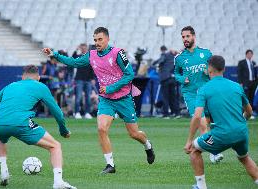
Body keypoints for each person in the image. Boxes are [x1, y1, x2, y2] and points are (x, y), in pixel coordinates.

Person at [43, 27, 155, 174]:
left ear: (108, 39)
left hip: (124, 98)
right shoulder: (91, 55)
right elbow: (73, 62)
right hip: (106, 100)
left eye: (100, 39)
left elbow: (129, 75)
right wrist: (54, 54)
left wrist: (110, 88)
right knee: (102, 128)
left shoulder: (117, 53)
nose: (97, 42)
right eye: (95, 40)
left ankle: (147, 145)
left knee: (134, 134)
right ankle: (110, 165)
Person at [0, 65, 76, 189]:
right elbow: (57, 112)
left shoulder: (10, 86)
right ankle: (58, 182)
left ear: (22, 77)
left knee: (0, 138)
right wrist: (63, 130)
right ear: (38, 78)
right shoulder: (41, 86)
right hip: (20, 123)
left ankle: (4, 171)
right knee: (55, 146)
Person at [184, 55, 258, 189]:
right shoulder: (236, 86)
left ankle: (201, 186)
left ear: (209, 69)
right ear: (224, 69)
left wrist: (189, 140)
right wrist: (241, 122)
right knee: (244, 158)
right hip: (241, 132)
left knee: (194, 149)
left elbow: (197, 116)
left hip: (222, 134)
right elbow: (249, 111)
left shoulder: (204, 89)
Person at [174, 26, 223, 163]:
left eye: (187, 36)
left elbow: (214, 70)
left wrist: (210, 72)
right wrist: (183, 79)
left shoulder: (206, 53)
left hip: (207, 92)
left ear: (193, 36)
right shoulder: (179, 58)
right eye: (183, 37)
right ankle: (214, 153)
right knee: (202, 123)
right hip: (190, 94)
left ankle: (206, 148)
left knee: (209, 123)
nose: (185, 39)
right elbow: (176, 73)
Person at [153, 45, 180, 118]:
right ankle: (176, 113)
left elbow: (160, 61)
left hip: (165, 79)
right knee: (173, 97)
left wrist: (156, 65)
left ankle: (166, 114)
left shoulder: (165, 55)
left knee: (165, 97)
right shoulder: (175, 58)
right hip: (172, 79)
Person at [72, 43, 95, 119]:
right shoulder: (78, 57)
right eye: (82, 48)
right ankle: (77, 112)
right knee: (78, 97)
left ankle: (87, 112)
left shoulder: (90, 57)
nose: (84, 49)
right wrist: (76, 49)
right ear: (81, 49)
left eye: (85, 48)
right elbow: (72, 58)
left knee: (88, 97)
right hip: (79, 79)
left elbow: (92, 69)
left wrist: (92, 78)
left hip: (88, 80)